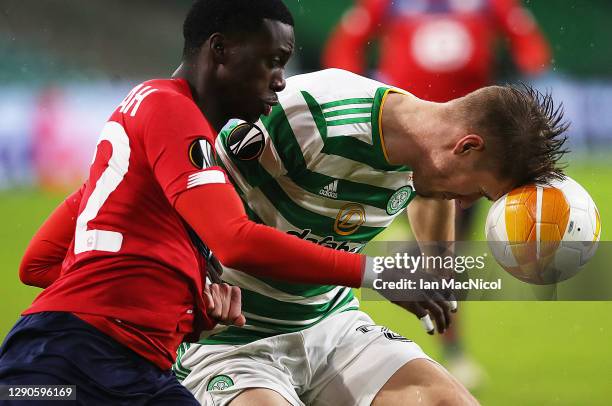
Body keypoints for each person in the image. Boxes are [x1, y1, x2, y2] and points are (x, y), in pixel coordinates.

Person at [16, 67, 568, 405]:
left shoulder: (423, 156)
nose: (466, 201)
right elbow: (182, 187)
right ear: (465, 147)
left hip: (331, 327)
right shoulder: (303, 116)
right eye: (477, 188)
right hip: (227, 344)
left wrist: (439, 266)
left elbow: (428, 192)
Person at [0, 2, 381, 405]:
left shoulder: (150, 144)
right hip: (65, 361)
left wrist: (189, 304)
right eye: (272, 61)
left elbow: (37, 263)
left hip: (138, 369)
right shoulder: (170, 107)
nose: (281, 81)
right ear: (220, 50)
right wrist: (375, 272)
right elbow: (236, 240)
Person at [323, 0, 552, 385]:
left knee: (448, 256)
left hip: (466, 154)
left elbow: (530, 43)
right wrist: (353, 84)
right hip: (399, 138)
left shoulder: (488, 5)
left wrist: (524, 66)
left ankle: (448, 342)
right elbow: (346, 41)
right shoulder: (390, 4)